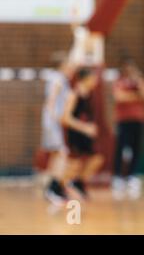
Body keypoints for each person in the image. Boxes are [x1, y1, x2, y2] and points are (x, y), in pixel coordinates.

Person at [112, 59, 144, 200]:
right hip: (123, 120)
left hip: (138, 120)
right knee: (121, 147)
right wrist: (135, 96)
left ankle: (132, 175)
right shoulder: (119, 81)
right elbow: (119, 97)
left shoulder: (139, 81)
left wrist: (138, 82)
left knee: (136, 148)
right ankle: (117, 176)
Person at [62, 68, 104, 200]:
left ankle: (78, 183)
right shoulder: (74, 94)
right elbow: (65, 118)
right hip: (75, 134)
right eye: (93, 78)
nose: (95, 81)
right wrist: (85, 127)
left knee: (97, 159)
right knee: (74, 164)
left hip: (85, 135)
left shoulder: (89, 95)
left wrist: (90, 128)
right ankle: (56, 186)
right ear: (85, 79)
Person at [41, 52, 75, 205]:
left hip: (51, 121)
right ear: (63, 65)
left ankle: (54, 188)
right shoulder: (58, 78)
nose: (70, 67)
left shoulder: (58, 77)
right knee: (62, 154)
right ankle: (52, 188)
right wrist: (55, 117)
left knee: (57, 154)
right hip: (52, 122)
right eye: (68, 64)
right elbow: (52, 99)